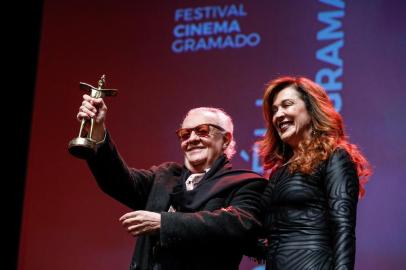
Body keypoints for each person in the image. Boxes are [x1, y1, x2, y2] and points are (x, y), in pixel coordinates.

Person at [76, 94, 267, 270]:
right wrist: (98, 131)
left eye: (202, 131)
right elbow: (117, 181)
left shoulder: (245, 183)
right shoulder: (165, 176)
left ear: (225, 140)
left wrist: (164, 223)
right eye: (185, 134)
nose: (191, 139)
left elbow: (236, 225)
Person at [256, 76, 371, 270]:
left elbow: (343, 229)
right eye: (274, 110)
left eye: (287, 105)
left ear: (311, 109)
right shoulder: (278, 172)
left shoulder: (335, 157)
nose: (278, 115)